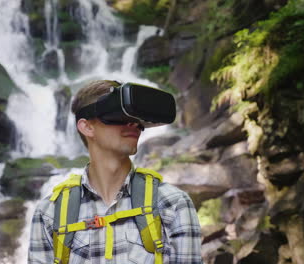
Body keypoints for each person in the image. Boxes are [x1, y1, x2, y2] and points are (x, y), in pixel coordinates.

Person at [28, 80, 203, 264]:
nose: (134, 124)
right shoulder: (50, 213)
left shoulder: (171, 204)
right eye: (119, 114)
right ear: (87, 126)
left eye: (136, 117)